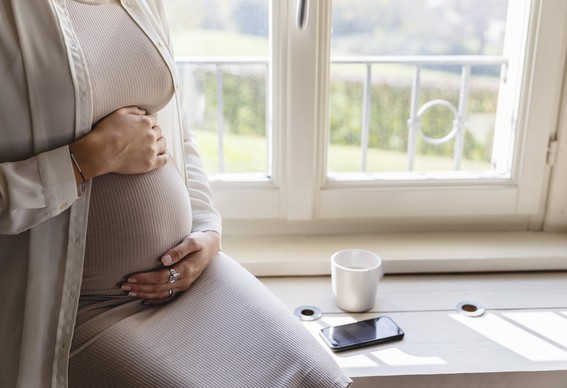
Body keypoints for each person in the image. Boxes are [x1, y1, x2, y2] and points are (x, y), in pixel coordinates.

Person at [0, 0, 352, 387]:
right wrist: (83, 161)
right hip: (79, 309)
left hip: (192, 281)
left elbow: (175, 132)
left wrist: (206, 228)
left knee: (315, 379)